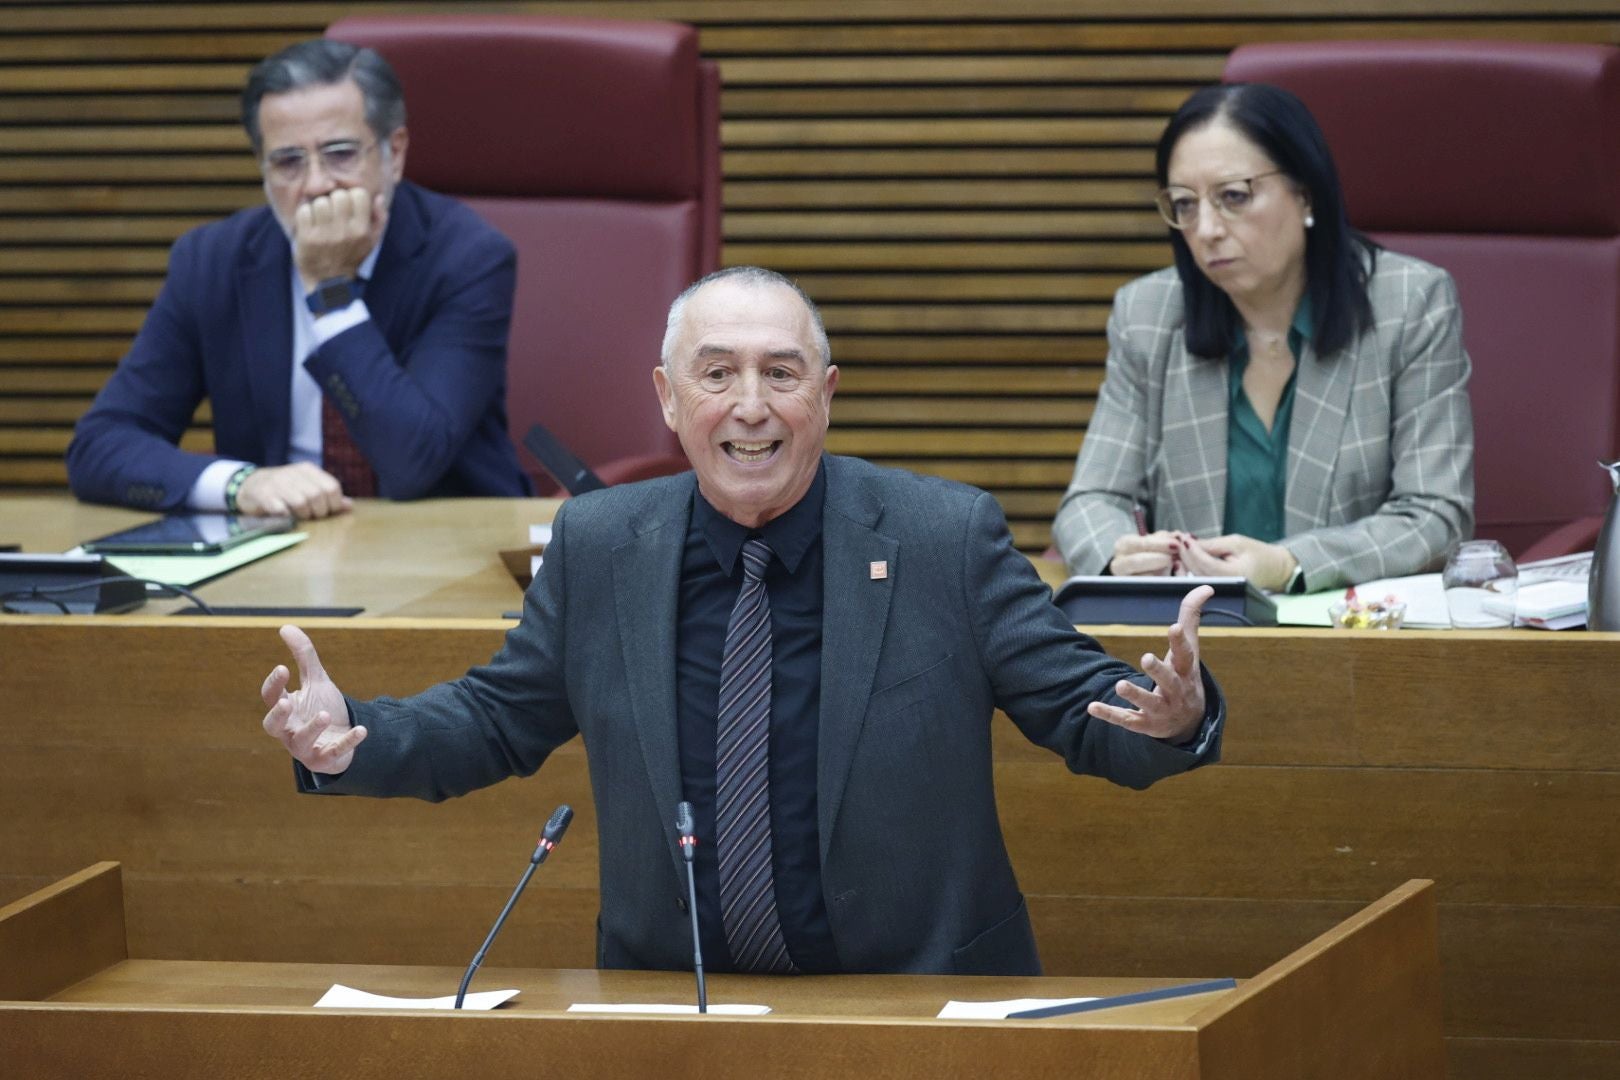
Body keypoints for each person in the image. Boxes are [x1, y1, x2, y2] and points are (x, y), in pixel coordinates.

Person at [261, 267, 1225, 977]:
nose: (751, 407)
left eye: (782, 373)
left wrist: (1172, 716)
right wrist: (356, 738)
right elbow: (495, 718)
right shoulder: (604, 542)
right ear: (668, 399)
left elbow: (1085, 711)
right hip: (677, 1013)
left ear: (828, 395)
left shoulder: (941, 535)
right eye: (716, 374)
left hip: (917, 1007)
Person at [66, 39, 531, 520]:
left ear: (394, 152)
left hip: (447, 542)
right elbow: (99, 446)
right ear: (263, 170)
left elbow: (412, 462)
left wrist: (329, 288)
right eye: (288, 162)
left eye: (340, 154)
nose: (314, 185)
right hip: (282, 551)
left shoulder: (468, 258)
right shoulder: (213, 262)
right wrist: (239, 484)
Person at [1052, 83, 1474, 593]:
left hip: (1353, 643)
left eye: (1233, 197)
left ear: (1306, 193)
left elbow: (1436, 516)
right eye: (1184, 204)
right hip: (1194, 636)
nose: (1206, 229)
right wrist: (1120, 556)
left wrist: (1290, 564)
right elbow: (1088, 503)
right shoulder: (1148, 315)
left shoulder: (1409, 304)